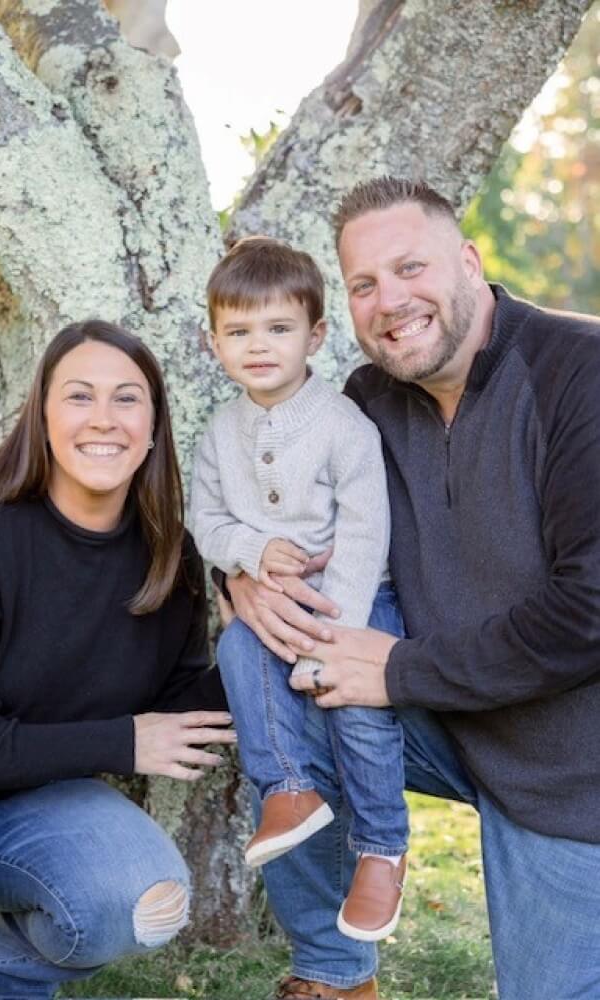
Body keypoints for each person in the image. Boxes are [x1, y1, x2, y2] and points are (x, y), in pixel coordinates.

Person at [219, 177, 600, 1000]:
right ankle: (335, 974)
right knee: (268, 667)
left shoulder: (582, 375)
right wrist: (244, 583)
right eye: (364, 285)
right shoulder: (365, 402)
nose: (390, 301)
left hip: (575, 775)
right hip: (451, 723)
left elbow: (591, 613)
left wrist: (396, 672)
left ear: (467, 262)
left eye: (410, 268)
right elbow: (295, 528)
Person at [0, 320, 235, 999]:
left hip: (25, 800)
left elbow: (177, 703)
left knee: (140, 901)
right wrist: (121, 740)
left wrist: (254, 642)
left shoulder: (170, 559)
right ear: (41, 416)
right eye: (79, 397)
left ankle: (1, 972)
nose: (103, 419)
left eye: (127, 399)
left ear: (155, 424)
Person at [190, 236, 408, 943]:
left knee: (354, 705)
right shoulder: (219, 431)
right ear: (213, 341)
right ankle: (288, 790)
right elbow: (207, 518)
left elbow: (368, 529)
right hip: (269, 603)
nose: (259, 346)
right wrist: (249, 552)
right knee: (237, 654)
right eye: (239, 331)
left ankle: (382, 848)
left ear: (314, 335)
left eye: (279, 328)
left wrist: (334, 635)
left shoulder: (344, 424)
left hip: (354, 601)